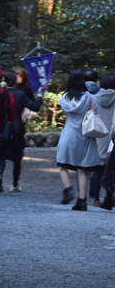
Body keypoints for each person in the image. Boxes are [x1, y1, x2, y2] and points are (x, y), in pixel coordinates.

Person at [56, 70, 104, 208]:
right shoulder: (90, 97)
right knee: (82, 169)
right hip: (85, 134)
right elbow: (95, 112)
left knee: (63, 164)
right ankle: (82, 201)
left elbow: (67, 113)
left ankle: (68, 190)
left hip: (69, 133)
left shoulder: (64, 97)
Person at [0, 67, 38, 193]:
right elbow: (35, 106)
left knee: (1, 156)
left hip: (2, 128)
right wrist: (40, 95)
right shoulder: (20, 94)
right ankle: (14, 183)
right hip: (17, 128)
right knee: (17, 158)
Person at [85, 73, 115, 205]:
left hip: (98, 135)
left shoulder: (94, 98)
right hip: (113, 137)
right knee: (112, 169)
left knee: (97, 168)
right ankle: (109, 198)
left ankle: (96, 199)